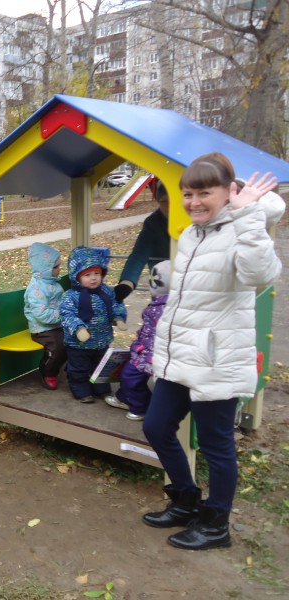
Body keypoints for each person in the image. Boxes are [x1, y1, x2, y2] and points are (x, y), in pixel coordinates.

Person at [143, 153, 284, 551]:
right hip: (180, 353)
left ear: (229, 193)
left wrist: (249, 217)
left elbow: (260, 275)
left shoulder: (245, 228)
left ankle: (216, 523)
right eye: (188, 194)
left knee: (215, 444)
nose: (194, 202)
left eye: (205, 192)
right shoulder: (191, 234)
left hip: (217, 358)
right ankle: (187, 500)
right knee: (155, 426)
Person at [59, 246, 127, 403]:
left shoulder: (106, 292)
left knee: (102, 366)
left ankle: (101, 389)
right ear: (77, 277)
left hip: (102, 340)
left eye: (97, 273)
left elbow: (117, 304)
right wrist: (78, 328)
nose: (94, 278)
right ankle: (81, 391)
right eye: (87, 275)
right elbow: (67, 314)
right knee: (79, 369)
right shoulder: (71, 296)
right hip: (78, 344)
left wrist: (118, 317)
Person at [105, 260, 170, 420]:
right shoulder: (160, 304)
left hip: (152, 355)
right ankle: (123, 397)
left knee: (130, 376)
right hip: (145, 350)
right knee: (128, 373)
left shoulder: (166, 308)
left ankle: (140, 407)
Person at [114, 180, 171, 302]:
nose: (169, 207)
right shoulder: (153, 222)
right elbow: (139, 254)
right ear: (158, 202)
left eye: (173, 202)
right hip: (163, 285)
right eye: (164, 202)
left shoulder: (194, 219)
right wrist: (127, 283)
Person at [24, 242, 67, 390]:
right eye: (55, 267)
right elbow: (41, 314)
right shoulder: (37, 289)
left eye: (59, 266)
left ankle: (73, 368)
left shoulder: (52, 283)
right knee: (58, 345)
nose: (59, 270)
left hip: (56, 324)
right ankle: (48, 371)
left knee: (73, 339)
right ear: (44, 268)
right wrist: (64, 314)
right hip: (41, 328)